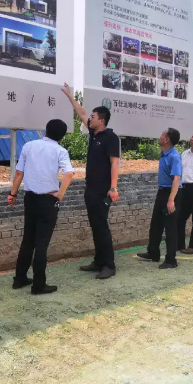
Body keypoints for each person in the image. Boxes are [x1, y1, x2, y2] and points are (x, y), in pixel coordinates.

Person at [8, 119, 75, 294]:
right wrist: (60, 194)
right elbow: (69, 174)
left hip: (30, 198)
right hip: (48, 200)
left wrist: (13, 194)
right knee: (41, 243)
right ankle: (38, 285)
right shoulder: (60, 151)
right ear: (62, 135)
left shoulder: (29, 146)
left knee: (28, 240)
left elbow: (19, 172)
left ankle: (19, 278)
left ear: (46, 130)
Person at [61, 83, 120, 279]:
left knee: (101, 226)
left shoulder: (111, 137)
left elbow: (115, 163)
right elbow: (81, 112)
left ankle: (109, 265)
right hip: (91, 188)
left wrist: (113, 188)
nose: (90, 119)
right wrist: (69, 95)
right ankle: (98, 261)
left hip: (103, 190)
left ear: (101, 120)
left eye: (93, 117)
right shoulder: (94, 133)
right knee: (95, 226)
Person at [136, 128, 182, 268]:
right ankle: (153, 253)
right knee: (156, 224)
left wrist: (171, 200)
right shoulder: (164, 154)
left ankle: (171, 260)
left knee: (170, 227)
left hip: (172, 193)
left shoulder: (174, 156)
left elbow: (176, 179)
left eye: (162, 134)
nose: (160, 136)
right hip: (162, 191)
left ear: (166, 139)